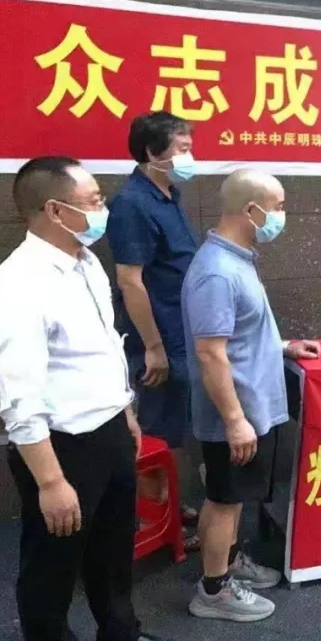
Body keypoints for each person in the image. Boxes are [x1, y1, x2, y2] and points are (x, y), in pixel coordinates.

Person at [0, 157, 180, 641]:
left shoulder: (85, 261)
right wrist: (51, 482)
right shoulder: (17, 287)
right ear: (54, 210)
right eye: (93, 201)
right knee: (53, 562)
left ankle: (119, 636)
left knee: (113, 549)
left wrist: (125, 411)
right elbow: (20, 401)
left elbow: (104, 347)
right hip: (61, 446)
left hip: (108, 429)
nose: (102, 209)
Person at [183, 169, 321, 622]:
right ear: (251, 210)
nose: (282, 215)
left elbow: (239, 331)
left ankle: (225, 563)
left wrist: (282, 346)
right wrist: (235, 419)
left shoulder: (237, 259)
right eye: (278, 207)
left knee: (228, 495)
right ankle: (214, 590)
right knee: (225, 498)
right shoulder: (217, 272)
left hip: (250, 405)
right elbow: (210, 353)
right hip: (236, 411)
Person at [107, 111, 201, 550]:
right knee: (156, 427)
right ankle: (152, 517)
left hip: (180, 330)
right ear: (151, 151)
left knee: (173, 425)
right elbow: (130, 281)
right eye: (182, 148)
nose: (189, 156)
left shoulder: (169, 194)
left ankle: (170, 507)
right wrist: (154, 347)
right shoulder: (132, 204)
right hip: (158, 336)